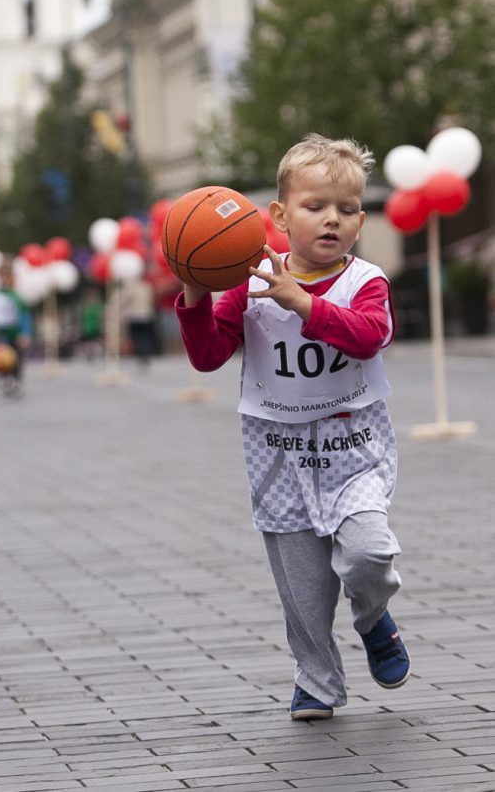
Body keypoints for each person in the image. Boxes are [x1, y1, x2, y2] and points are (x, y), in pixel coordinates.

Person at [175, 134, 410, 721]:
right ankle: (317, 682)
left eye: (347, 209)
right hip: (279, 454)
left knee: (368, 553)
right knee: (302, 592)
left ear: (360, 218)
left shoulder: (367, 282)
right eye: (315, 207)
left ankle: (373, 616)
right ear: (278, 216)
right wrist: (196, 296)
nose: (332, 219)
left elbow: (368, 336)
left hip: (354, 449)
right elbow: (207, 358)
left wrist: (302, 303)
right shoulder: (247, 290)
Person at [0, 260, 30, 393]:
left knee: (16, 357)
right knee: (2, 358)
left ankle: (16, 380)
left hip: (15, 332)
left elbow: (24, 315)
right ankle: (6, 379)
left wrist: (25, 332)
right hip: (2, 333)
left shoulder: (16, 296)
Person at [120, 275, 158, 366]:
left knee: (136, 336)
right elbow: (152, 299)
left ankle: (142, 354)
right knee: (146, 336)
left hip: (134, 315)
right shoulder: (147, 286)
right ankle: (145, 353)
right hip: (146, 314)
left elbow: (124, 300)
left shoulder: (129, 287)